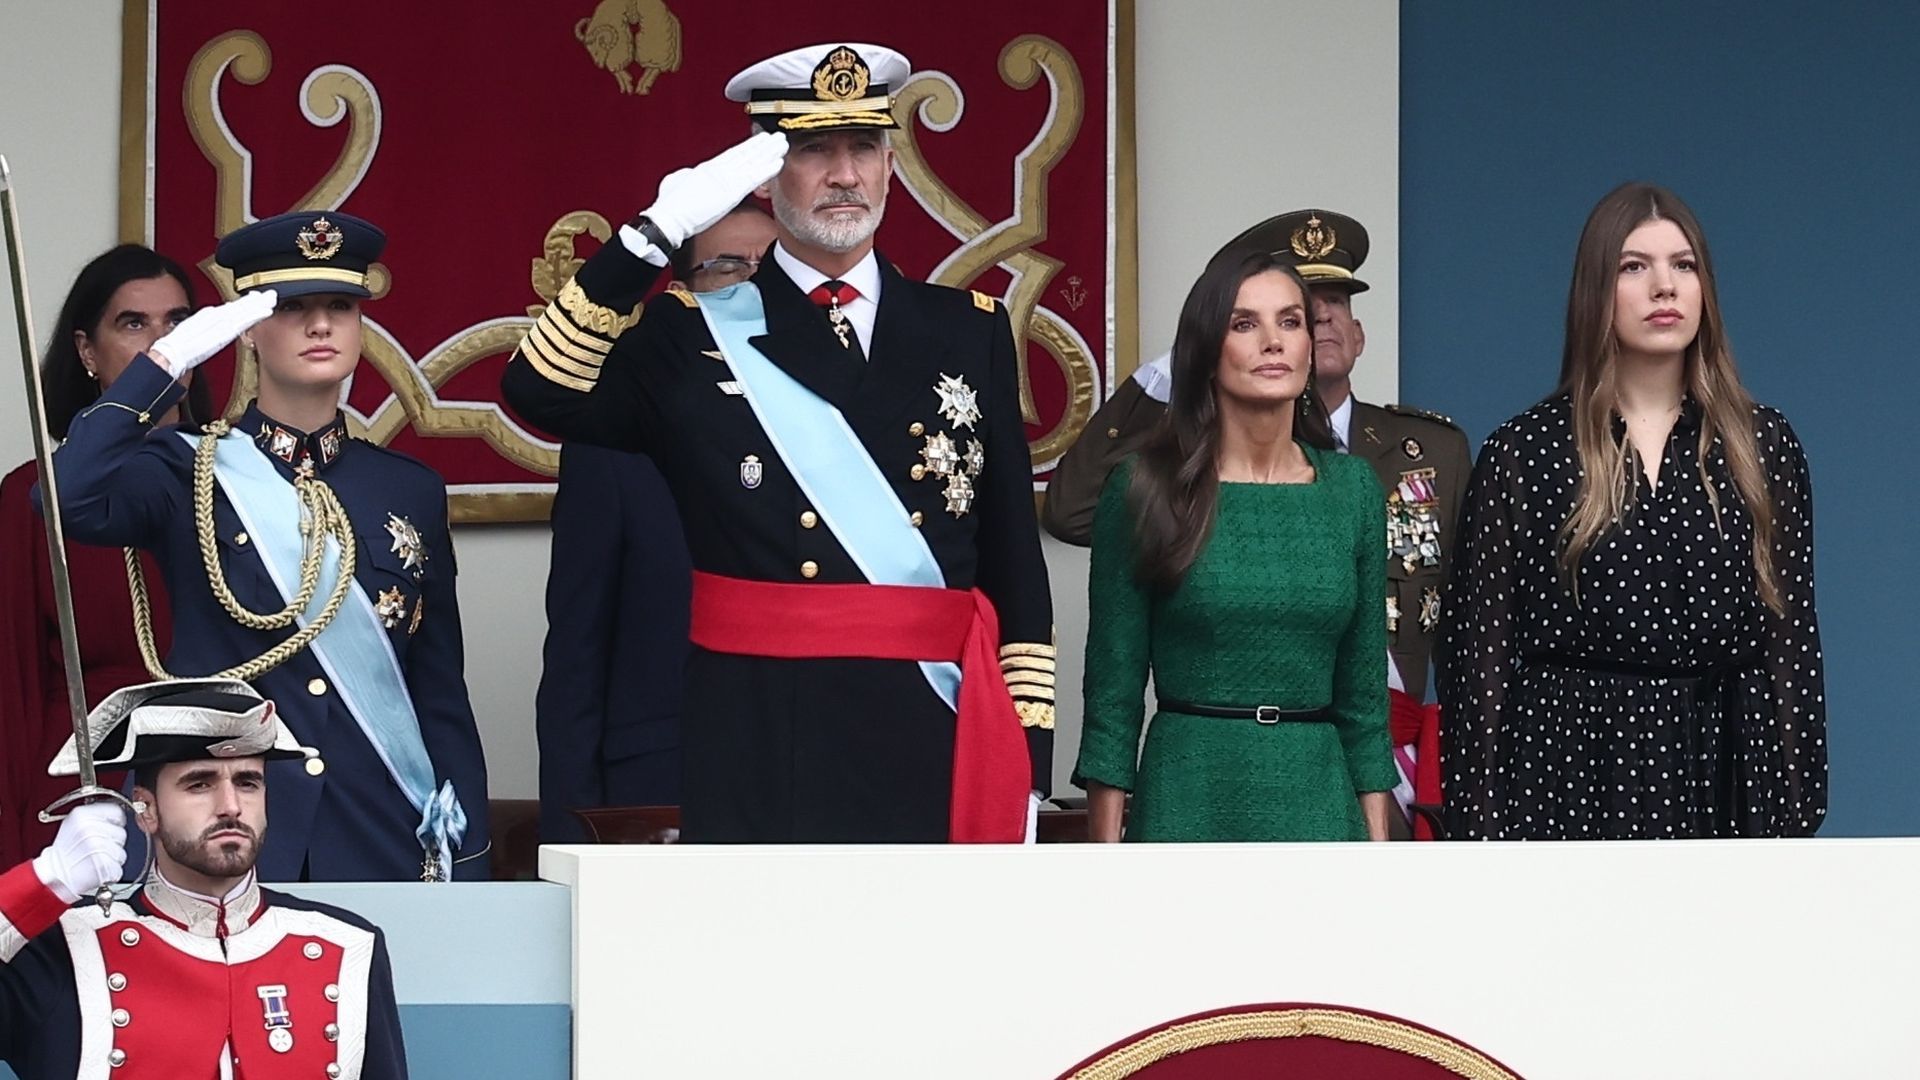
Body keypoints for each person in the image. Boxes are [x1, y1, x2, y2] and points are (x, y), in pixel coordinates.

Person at [503, 43, 1055, 843]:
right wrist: (650, 238)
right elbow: (538, 391)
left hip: (932, 729)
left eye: (863, 147)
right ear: (765, 175)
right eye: (813, 150)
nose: (843, 174)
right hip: (758, 735)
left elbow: (1012, 563)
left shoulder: (966, 329)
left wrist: (1026, 754)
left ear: (891, 166)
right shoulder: (691, 332)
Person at [46, 212, 492, 879]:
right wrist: (166, 364)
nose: (320, 325)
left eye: (340, 306)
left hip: (378, 828)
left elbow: (437, 690)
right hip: (227, 832)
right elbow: (67, 497)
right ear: (248, 330)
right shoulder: (184, 466)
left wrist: (471, 851)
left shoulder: (410, 489)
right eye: (292, 308)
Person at [1043, 209, 1468, 834]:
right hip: (1188, 793)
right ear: (1206, 348)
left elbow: (1362, 703)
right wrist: (1107, 859)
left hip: (1320, 801)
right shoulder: (1144, 485)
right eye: (1245, 323)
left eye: (1290, 322)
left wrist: (1382, 857)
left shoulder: (1350, 489)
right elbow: (1113, 697)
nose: (1274, 341)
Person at [1438, 182, 1826, 839]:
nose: (1664, 287)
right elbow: (1478, 659)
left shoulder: (1764, 445)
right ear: (1596, 289)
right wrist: (1478, 831)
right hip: (1564, 776)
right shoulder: (1523, 452)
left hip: (1719, 776)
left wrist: (1796, 817)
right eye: (1634, 266)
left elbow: (1790, 640)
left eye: (1684, 265)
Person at [0, 679, 408, 1078]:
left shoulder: (347, 944)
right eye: (200, 783)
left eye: (247, 783)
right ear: (145, 810)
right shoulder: (65, 946)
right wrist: (47, 879)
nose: (230, 806)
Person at [535, 202, 777, 842]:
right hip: (660, 791)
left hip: (812, 777)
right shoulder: (615, 441)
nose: (754, 283)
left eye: (772, 267)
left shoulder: (849, 425)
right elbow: (576, 656)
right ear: (683, 288)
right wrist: (573, 835)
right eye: (729, 266)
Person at [0, 244, 213, 869]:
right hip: (81, 810)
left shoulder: (240, 478)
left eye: (178, 324)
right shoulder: (29, 498)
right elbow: (11, 690)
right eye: (133, 324)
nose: (160, 344)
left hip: (223, 798)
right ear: (86, 351)